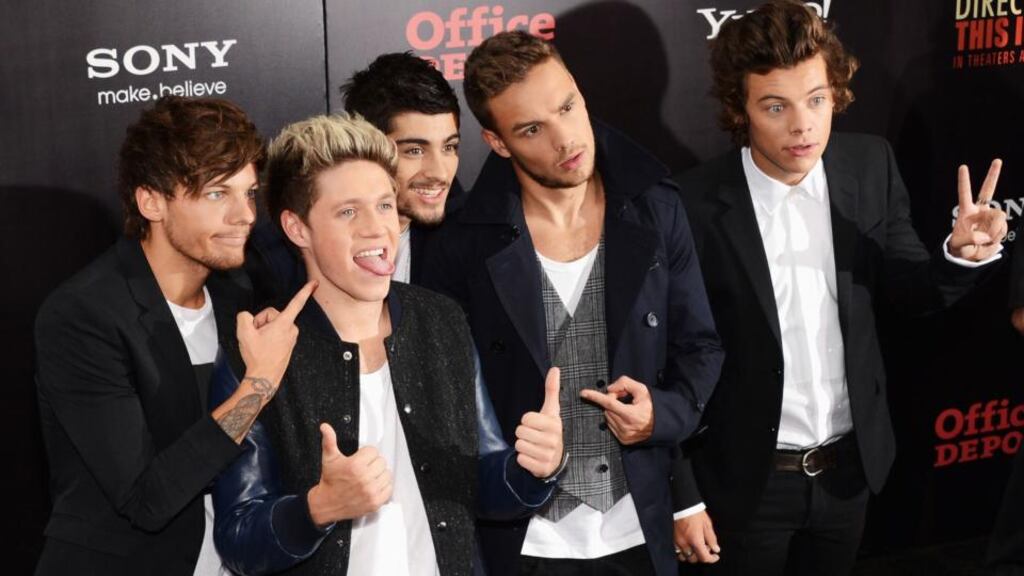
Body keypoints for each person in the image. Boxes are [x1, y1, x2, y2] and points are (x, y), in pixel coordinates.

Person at [671, 2, 1008, 574]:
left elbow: (912, 293)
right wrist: (683, 495)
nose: (802, 125)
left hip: (850, 476)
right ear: (741, 109)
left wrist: (958, 256)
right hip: (744, 484)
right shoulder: (692, 203)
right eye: (776, 107)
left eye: (817, 100)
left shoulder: (868, 164)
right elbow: (666, 358)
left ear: (836, 94)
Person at [423, 31, 724, 575]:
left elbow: (699, 346)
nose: (565, 140)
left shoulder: (655, 209)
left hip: (639, 524)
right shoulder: (460, 246)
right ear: (497, 142)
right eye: (532, 129)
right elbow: (442, 405)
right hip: (527, 539)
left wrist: (662, 415)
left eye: (567, 107)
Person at [212, 113, 565, 575]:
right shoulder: (256, 351)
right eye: (347, 212)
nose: (376, 228)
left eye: (383, 206)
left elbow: (481, 483)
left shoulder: (441, 320)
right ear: (298, 229)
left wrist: (535, 469)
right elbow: (239, 541)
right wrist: (317, 508)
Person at [34, 95, 311, 575]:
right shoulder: (84, 316)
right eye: (217, 194)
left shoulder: (237, 293)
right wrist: (257, 385)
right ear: (151, 201)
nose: (245, 215)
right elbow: (147, 498)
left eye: (248, 193)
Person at [247, 52, 464, 301]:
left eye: (449, 147)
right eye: (414, 150)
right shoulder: (272, 260)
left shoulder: (468, 233)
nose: (438, 172)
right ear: (370, 145)